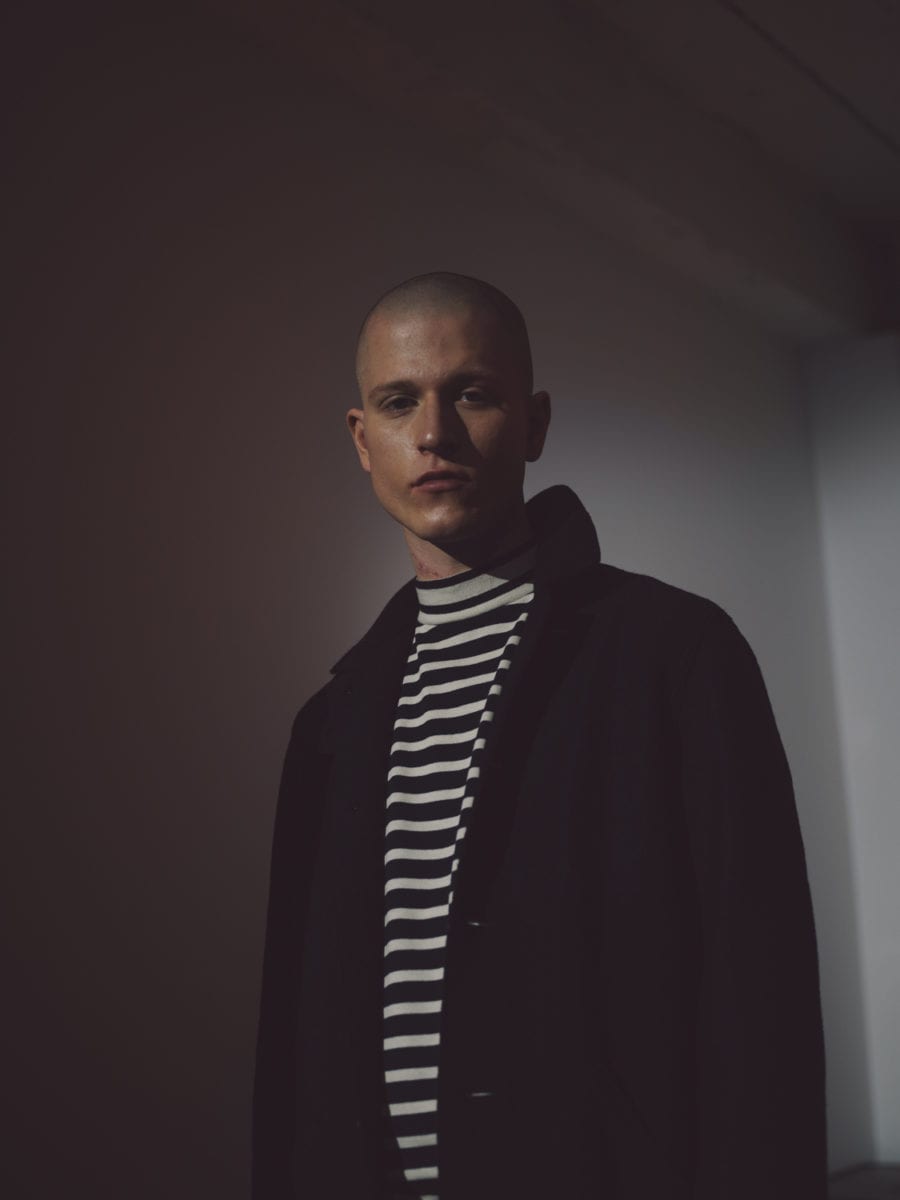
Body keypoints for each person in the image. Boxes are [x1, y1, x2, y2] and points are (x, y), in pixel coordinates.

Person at [252, 272, 827, 1199]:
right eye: (399, 402)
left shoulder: (674, 655)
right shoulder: (331, 726)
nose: (433, 432)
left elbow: (761, 1004)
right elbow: (295, 1052)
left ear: (534, 422)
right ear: (362, 439)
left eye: (472, 393)